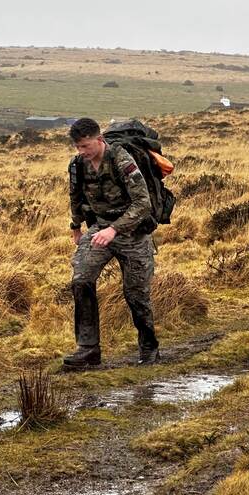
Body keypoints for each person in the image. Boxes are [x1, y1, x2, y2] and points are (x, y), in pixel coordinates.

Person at [65, 118, 159, 368]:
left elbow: (143, 204)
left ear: (99, 139)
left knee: (136, 293)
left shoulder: (122, 160)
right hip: (99, 228)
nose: (82, 152)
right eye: (78, 147)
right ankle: (87, 349)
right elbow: (75, 195)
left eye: (85, 146)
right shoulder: (77, 165)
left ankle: (149, 347)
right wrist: (76, 226)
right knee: (81, 279)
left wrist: (114, 230)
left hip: (133, 233)